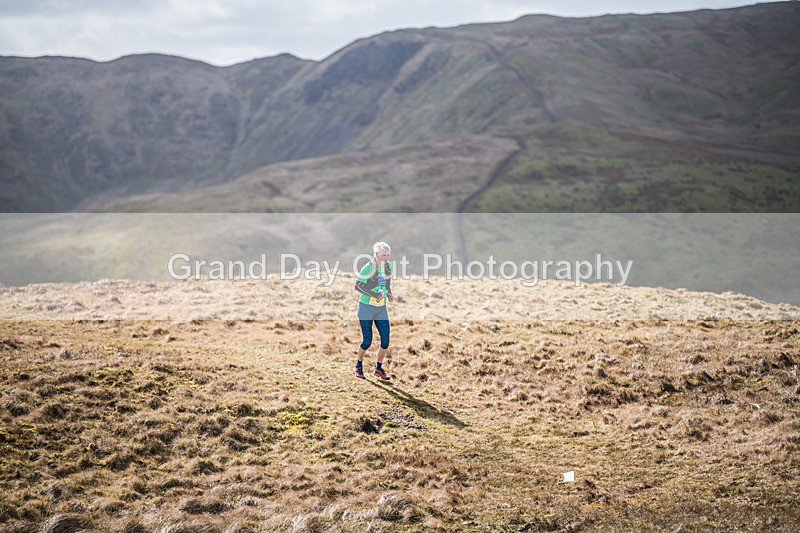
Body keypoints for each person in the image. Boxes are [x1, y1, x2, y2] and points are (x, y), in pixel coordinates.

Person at [354, 241, 394, 380]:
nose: (386, 258)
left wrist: (389, 294)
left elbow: (387, 283)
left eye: (388, 255)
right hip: (366, 308)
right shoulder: (368, 268)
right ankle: (358, 366)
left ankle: (378, 369)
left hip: (380, 308)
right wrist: (374, 294)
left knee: (385, 341)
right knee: (367, 341)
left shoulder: (388, 266)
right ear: (376, 254)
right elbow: (358, 286)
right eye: (383, 255)